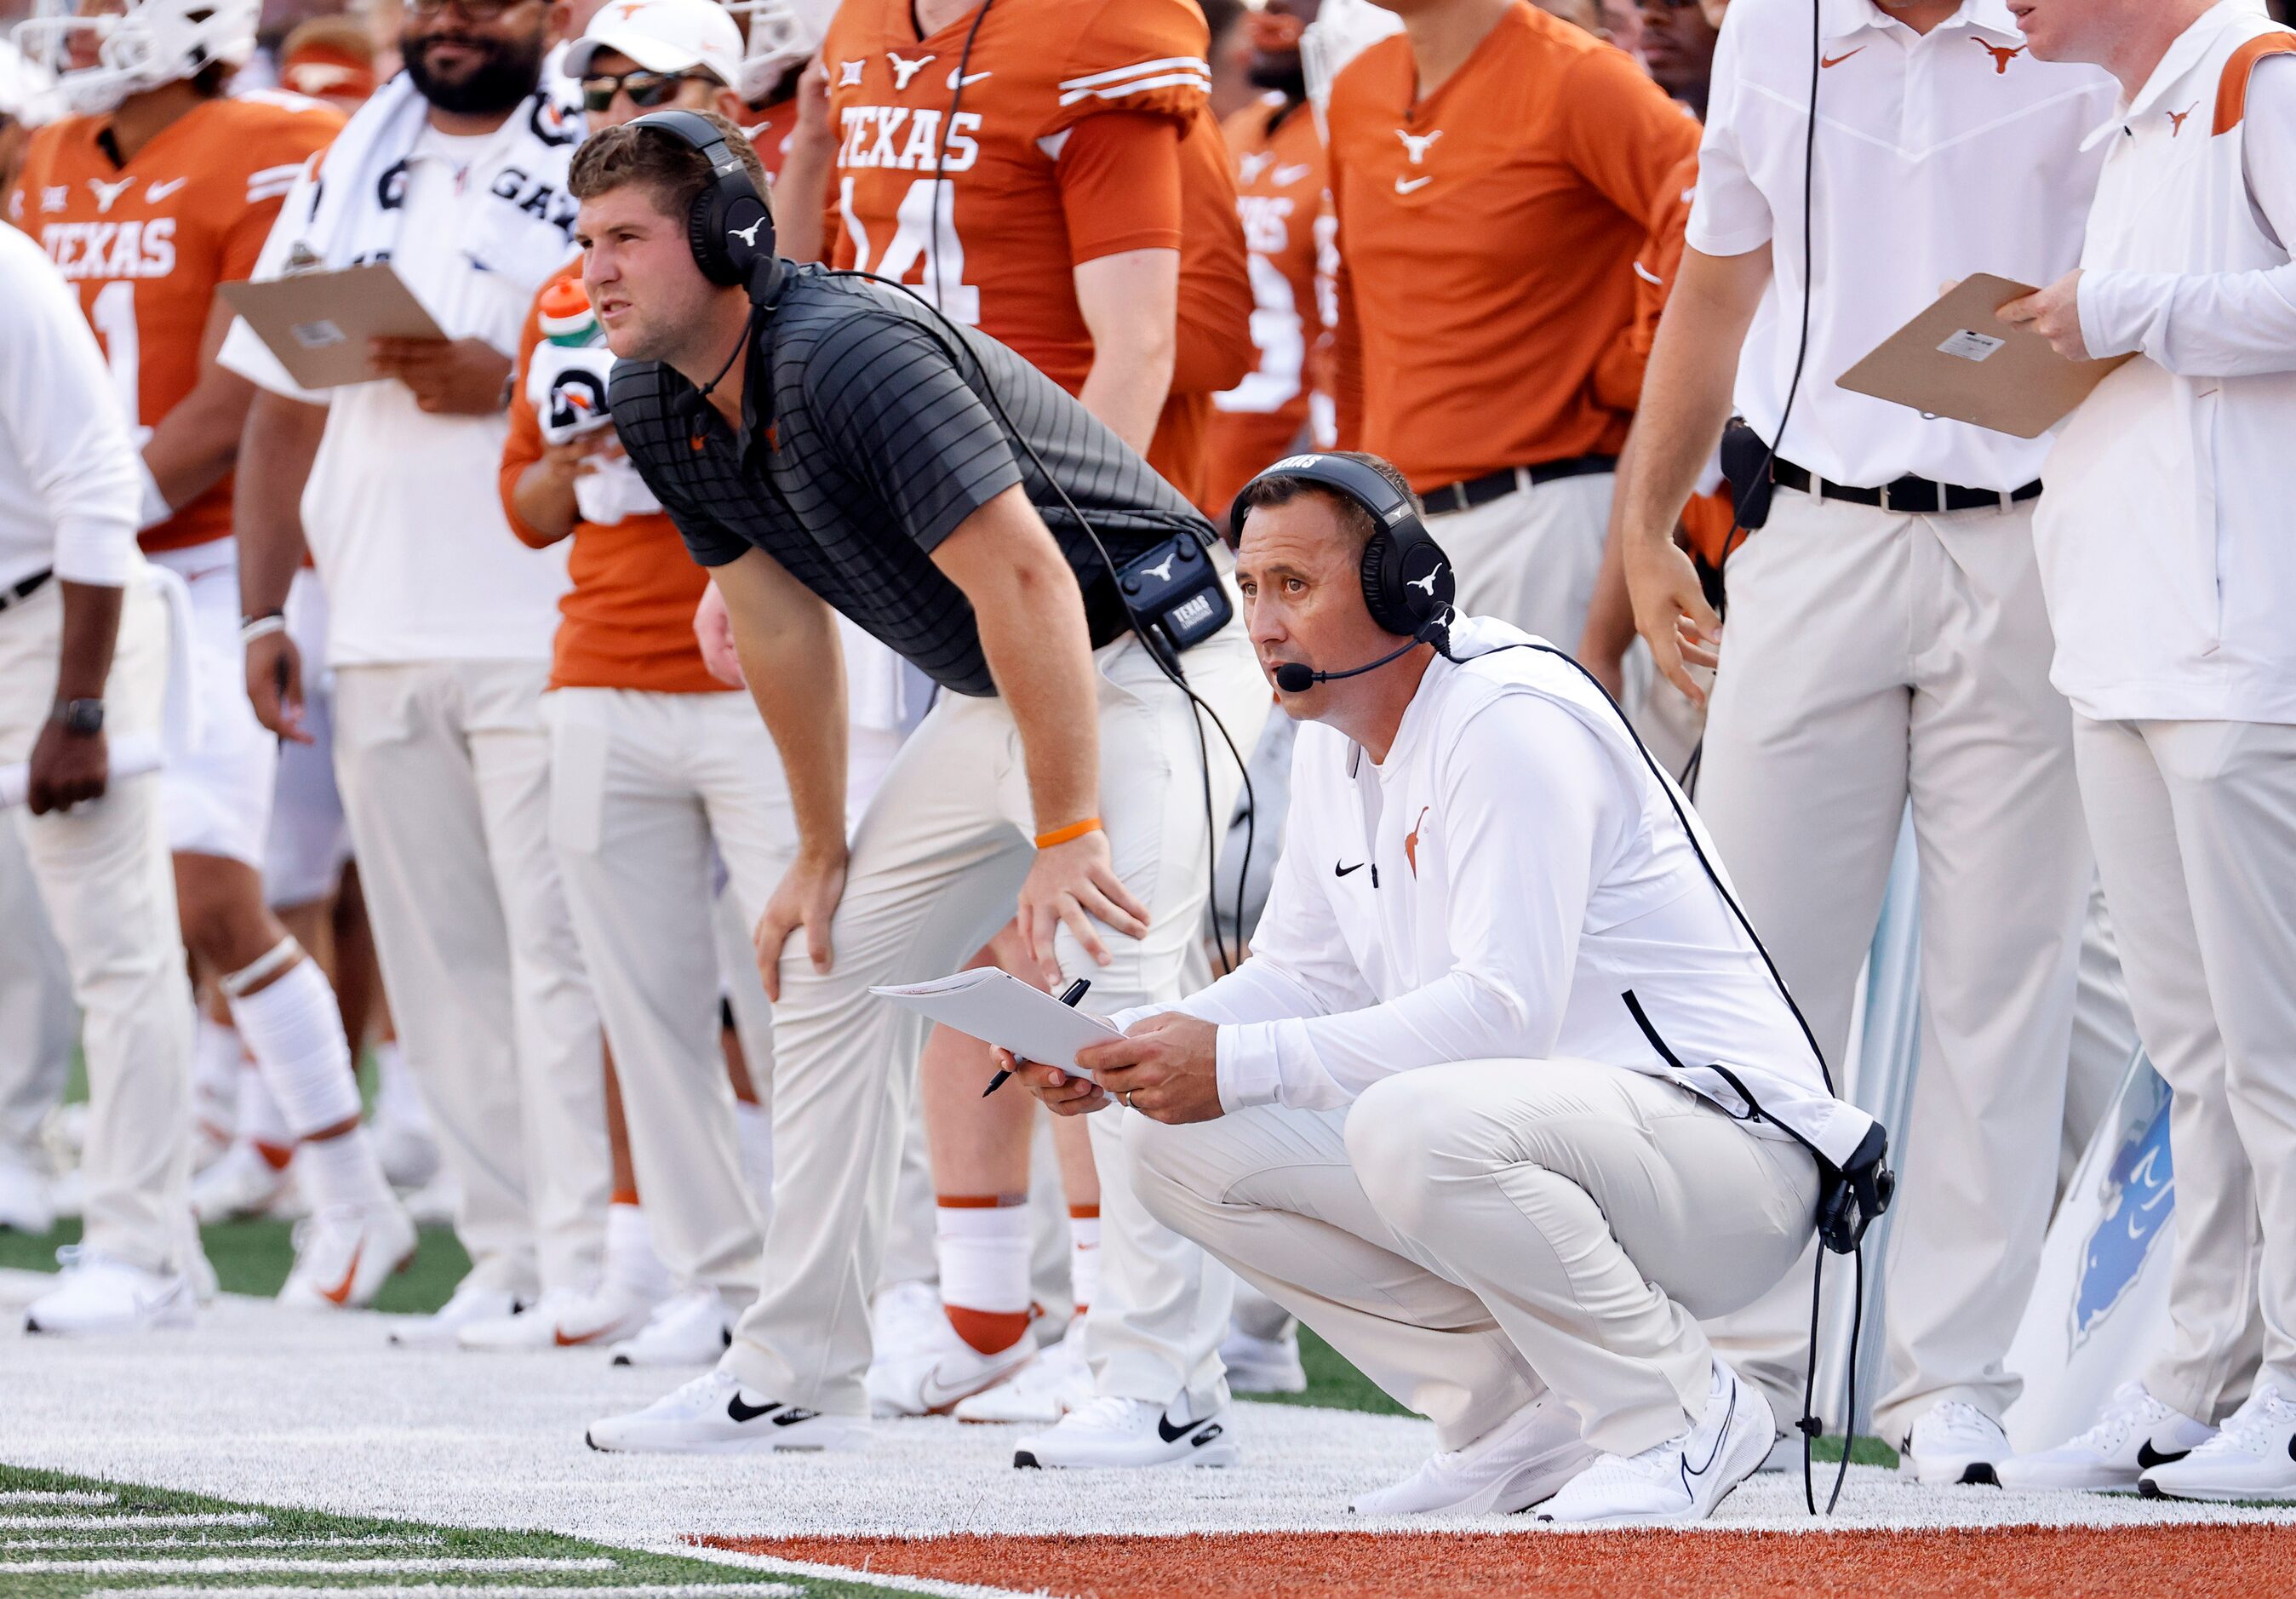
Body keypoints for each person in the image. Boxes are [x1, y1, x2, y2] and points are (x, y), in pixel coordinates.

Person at [568, 111, 1268, 1464]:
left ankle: (1169, 1383)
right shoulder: (651, 391)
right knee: (830, 959)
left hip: (1147, 658)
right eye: (585, 240)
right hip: (1004, 681)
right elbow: (772, 622)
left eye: (628, 239)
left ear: (726, 237)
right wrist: (820, 844)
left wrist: (1064, 831)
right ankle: (793, 1366)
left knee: (1118, 988)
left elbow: (1026, 578)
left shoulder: (850, 351)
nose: (595, 271)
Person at [1013, 450, 1872, 1526]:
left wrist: (1232, 1062)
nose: (1263, 624)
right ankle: (1524, 1425)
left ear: (1401, 584)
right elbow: (1300, 975)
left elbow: (1505, 1012)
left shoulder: (1505, 719)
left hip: (1731, 1162)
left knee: (1411, 1120)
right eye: (1250, 590)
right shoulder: (1336, 732)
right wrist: (1127, 1048)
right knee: (1172, 1145)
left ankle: (1680, 1415)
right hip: (1555, 1144)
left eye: (1294, 586)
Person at [1618, 0, 2115, 1484]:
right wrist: (1646, 522)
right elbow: (1714, 288)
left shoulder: (2081, 24)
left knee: (2001, 970)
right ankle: (1751, 1364)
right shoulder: (1777, 25)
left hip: (2032, 535)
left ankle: (1950, 1379)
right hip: (1814, 529)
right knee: (1760, 965)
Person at [783, 0, 1257, 1451]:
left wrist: (1025, 557)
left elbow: (1136, 349)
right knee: (918, 940)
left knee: (1109, 947)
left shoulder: (1092, 31)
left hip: (1073, 574)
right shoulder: (865, 28)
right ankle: (982, 1303)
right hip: (934, 570)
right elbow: (810, 294)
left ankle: (1155, 1344)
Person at [10, 0, 430, 1308]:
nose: (75, 23)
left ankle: (350, 1187)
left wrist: (75, 511)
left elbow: (252, 383)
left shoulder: (281, 139)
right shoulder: (57, 150)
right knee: (180, 899)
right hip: (86, 566)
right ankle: (340, 1191)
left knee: (205, 892)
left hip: (209, 567)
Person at [224, 0, 612, 1349]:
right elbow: (282, 396)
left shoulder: (602, 147)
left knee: (560, 958)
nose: (452, 16)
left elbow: (677, 363)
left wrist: (497, 379)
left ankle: (589, 1259)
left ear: (553, 14)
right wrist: (263, 607)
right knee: (443, 967)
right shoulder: (347, 159)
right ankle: (503, 1250)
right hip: (378, 621)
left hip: (550, 619)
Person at [1992, 0, 2296, 1503]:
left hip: (2242, 651)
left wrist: (2125, 311)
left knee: (2274, 1046)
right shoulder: (2139, 118)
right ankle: (2198, 1378)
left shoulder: (2260, 74)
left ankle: (2289, 1392)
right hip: (2122, 645)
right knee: (2193, 1055)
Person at [503, 0, 784, 1366]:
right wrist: (559, 471)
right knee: (646, 997)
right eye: (599, 81)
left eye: (647, 82)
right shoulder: (567, 289)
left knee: (817, 984)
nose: (615, 103)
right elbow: (523, 505)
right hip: (599, 658)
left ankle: (894, 1268)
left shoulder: (788, 266)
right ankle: (719, 1274)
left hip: (762, 670)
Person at [1323, 0, 1697, 647]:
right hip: (1394, 531)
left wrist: (1630, 371)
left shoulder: (1581, 78)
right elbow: (1357, 324)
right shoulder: (1357, 86)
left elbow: (1718, 228)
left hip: (1546, 518)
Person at [0, 219, 197, 1335]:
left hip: (60, 624)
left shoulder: (11, 277)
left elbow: (96, 484)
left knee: (116, 948)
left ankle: (142, 1246)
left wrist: (78, 709)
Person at [1204, 0, 1333, 514]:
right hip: (1207, 466)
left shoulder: (1350, 132)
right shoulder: (1240, 130)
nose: (1272, 6)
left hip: (1296, 472)